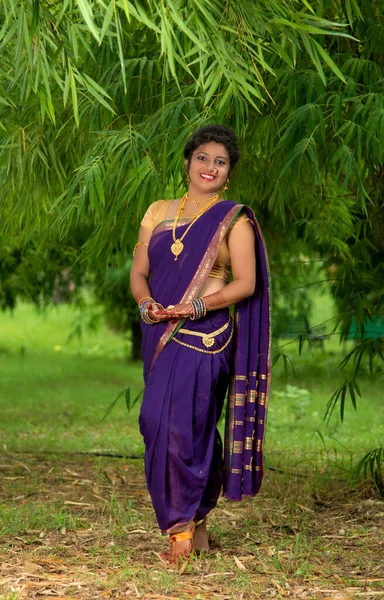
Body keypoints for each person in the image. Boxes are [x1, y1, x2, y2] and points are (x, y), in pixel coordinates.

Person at [130, 125, 270, 563]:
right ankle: (197, 517)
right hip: (161, 331)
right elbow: (138, 273)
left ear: (228, 174)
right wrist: (146, 302)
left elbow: (246, 283)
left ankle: (180, 532)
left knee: (182, 424)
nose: (210, 166)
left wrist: (195, 307)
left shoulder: (234, 218)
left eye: (221, 161)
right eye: (203, 157)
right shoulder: (157, 211)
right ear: (188, 162)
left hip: (206, 335)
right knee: (157, 421)